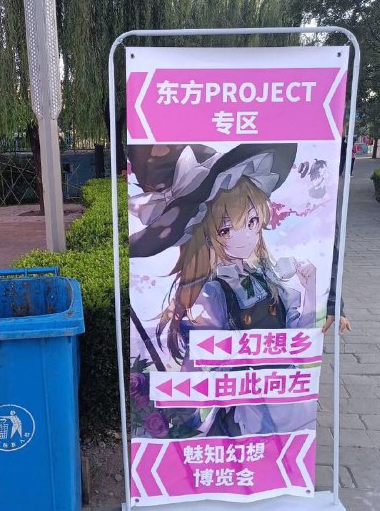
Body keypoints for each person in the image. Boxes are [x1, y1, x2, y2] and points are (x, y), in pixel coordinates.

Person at [129, 143, 318, 436]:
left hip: (286, 403)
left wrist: (311, 291)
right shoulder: (212, 296)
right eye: (226, 229)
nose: (246, 237)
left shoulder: (269, 278)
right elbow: (197, 365)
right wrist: (185, 419)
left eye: (252, 222)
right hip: (244, 414)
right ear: (206, 234)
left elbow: (297, 339)